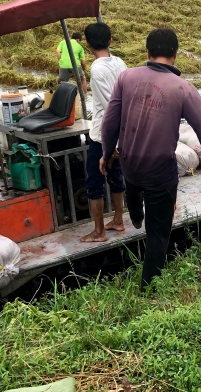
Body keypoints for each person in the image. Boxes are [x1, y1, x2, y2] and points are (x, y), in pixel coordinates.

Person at [100, 28, 201, 290]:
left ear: (147, 52)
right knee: (158, 233)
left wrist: (106, 152)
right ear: (175, 56)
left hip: (129, 162)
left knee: (133, 184)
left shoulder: (126, 77)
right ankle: (148, 288)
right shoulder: (183, 88)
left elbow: (110, 121)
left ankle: (135, 215)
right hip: (159, 171)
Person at [80, 22, 128, 243]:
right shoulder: (119, 62)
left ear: (88, 45)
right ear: (110, 41)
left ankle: (99, 232)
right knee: (117, 178)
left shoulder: (97, 69)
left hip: (103, 135)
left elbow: (111, 107)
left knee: (94, 183)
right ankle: (118, 220)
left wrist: (110, 146)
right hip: (121, 133)